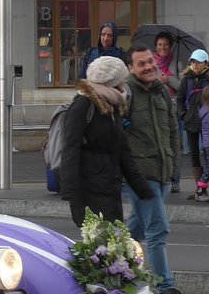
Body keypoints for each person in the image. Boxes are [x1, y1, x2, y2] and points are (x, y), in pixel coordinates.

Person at [122, 44, 191, 294]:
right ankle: (165, 287)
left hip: (163, 172)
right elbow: (117, 136)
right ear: (130, 68)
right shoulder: (125, 93)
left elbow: (173, 130)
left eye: (150, 61)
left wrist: (173, 167)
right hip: (139, 175)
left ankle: (107, 268)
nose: (149, 66)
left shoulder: (162, 91)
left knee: (136, 228)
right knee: (158, 229)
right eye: (141, 63)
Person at [58, 55, 153, 227]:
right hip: (88, 188)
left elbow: (123, 152)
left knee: (112, 239)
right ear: (112, 82)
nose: (125, 83)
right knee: (104, 240)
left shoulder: (112, 105)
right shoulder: (83, 104)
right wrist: (70, 190)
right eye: (122, 79)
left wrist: (142, 189)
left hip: (109, 186)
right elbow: (70, 147)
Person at [176, 49, 209, 198]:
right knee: (194, 154)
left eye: (198, 62)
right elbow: (180, 98)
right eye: (193, 62)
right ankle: (200, 188)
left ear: (206, 64)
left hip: (207, 122)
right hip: (191, 120)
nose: (195, 64)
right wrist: (183, 115)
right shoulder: (186, 79)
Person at [151, 31, 183, 194]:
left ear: (170, 46)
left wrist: (168, 79)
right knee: (157, 145)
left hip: (173, 109)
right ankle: (160, 178)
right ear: (155, 46)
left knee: (174, 145)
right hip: (156, 109)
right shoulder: (151, 64)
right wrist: (157, 80)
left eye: (166, 44)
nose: (162, 47)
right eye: (160, 44)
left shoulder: (177, 63)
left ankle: (175, 179)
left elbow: (182, 87)